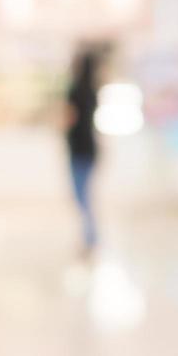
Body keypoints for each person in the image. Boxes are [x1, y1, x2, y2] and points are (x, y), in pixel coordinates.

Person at [65, 46, 102, 255]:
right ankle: (91, 237)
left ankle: (91, 238)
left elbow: (68, 119)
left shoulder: (74, 90)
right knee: (86, 196)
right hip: (91, 149)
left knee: (81, 197)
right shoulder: (93, 91)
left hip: (78, 149)